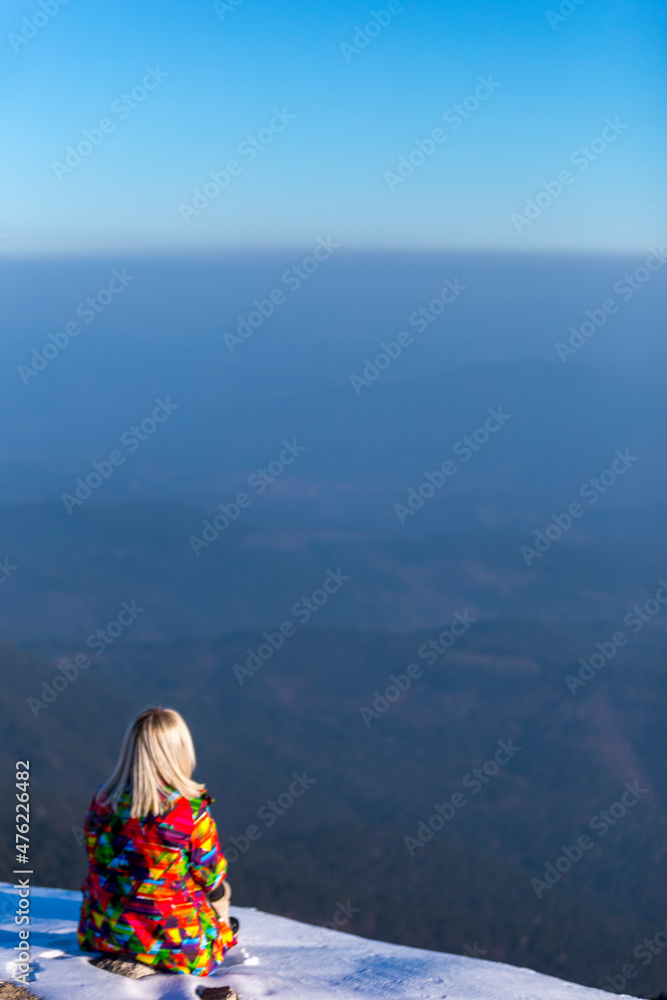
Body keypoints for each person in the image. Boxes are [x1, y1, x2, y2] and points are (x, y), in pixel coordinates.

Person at [77, 707, 237, 975]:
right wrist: (220, 905)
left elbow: (96, 857)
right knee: (220, 891)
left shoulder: (103, 801)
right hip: (177, 948)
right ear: (180, 750)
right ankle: (220, 930)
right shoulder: (190, 811)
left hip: (102, 932)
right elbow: (210, 877)